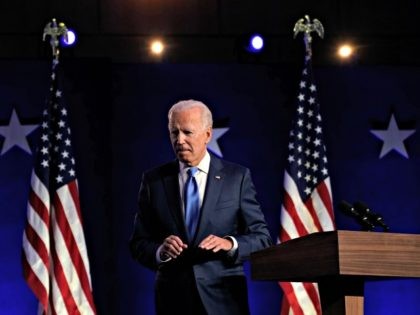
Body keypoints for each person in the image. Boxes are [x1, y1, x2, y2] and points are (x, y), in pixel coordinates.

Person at [129, 99, 272, 315]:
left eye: (187, 132)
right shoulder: (154, 181)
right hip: (173, 300)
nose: (180, 140)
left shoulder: (237, 178)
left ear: (207, 134)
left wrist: (230, 244)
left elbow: (262, 238)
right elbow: (139, 243)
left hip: (224, 299)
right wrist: (160, 250)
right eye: (174, 132)